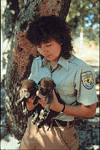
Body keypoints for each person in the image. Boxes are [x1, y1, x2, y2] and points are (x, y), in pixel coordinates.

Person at [19, 15, 98, 150]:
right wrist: (27, 98)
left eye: (48, 45)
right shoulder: (37, 63)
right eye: (39, 46)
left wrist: (58, 107)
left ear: (61, 40)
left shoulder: (81, 69)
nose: (44, 50)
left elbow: (90, 111)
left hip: (59, 135)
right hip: (32, 130)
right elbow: (30, 106)